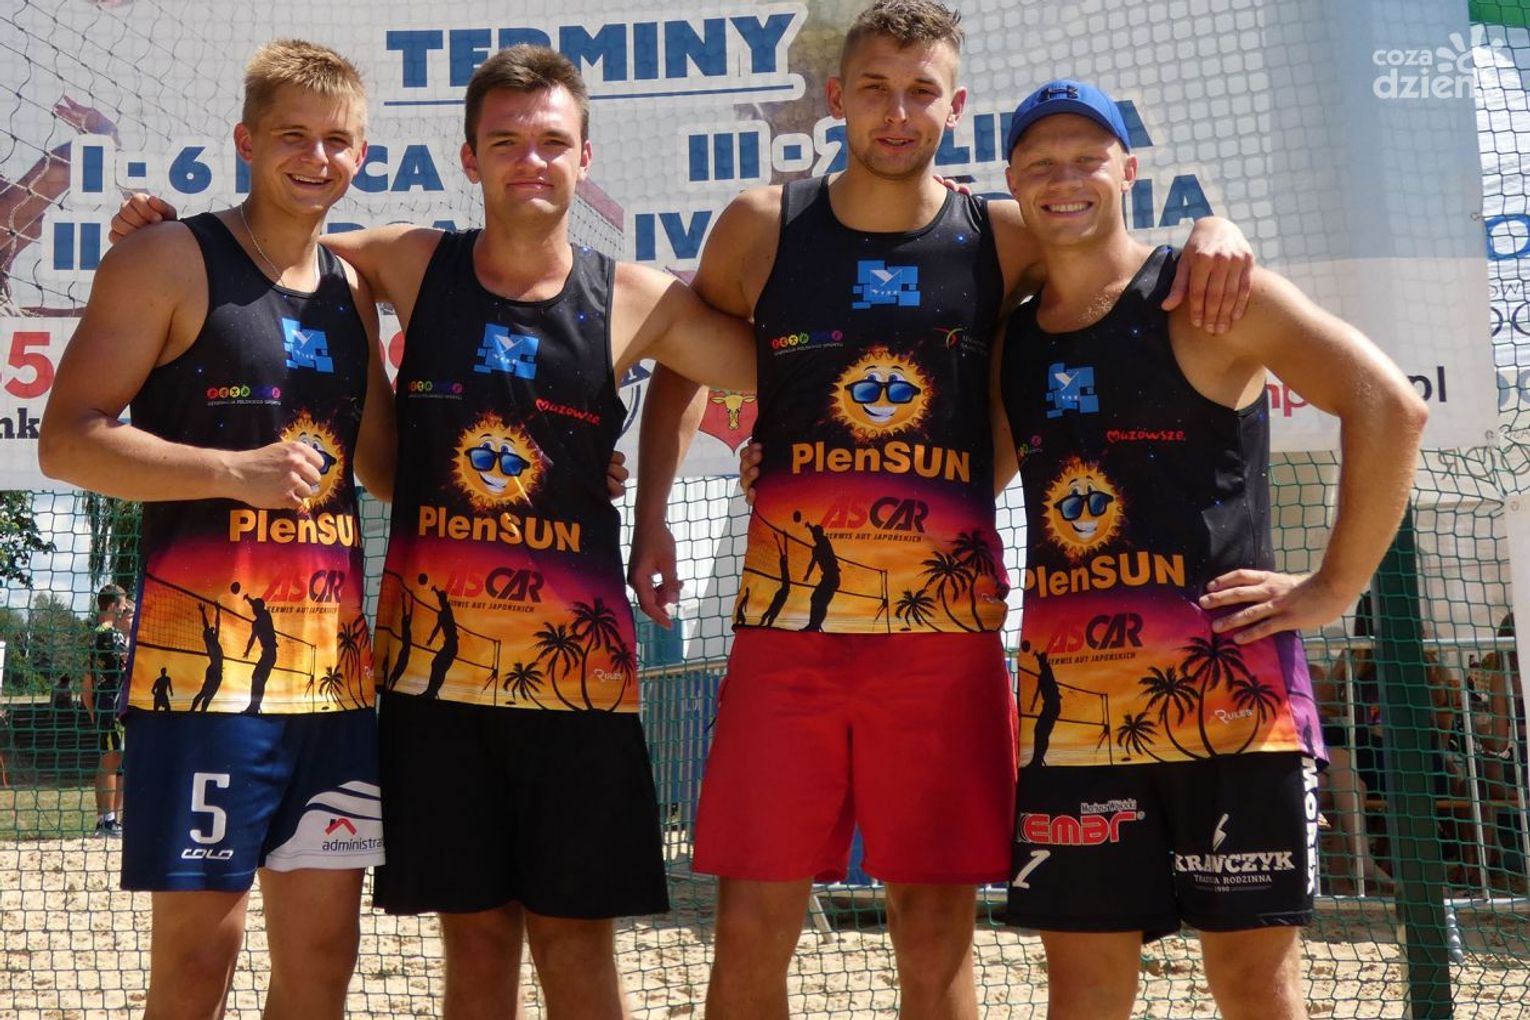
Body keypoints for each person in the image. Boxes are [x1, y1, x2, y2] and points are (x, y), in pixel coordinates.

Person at [110, 43, 752, 1018]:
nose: (530, 161)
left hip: (577, 681)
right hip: (432, 686)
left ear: (586, 156)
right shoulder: (406, 261)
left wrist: (653, 502)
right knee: (476, 943)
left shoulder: (638, 296)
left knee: (578, 948)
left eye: (552, 142)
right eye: (506, 142)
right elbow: (272, 242)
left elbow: (754, 360)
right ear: (468, 158)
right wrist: (160, 235)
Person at [648, 3, 1256, 1015]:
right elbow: (678, 354)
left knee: (934, 933)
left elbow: (1120, 257)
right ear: (836, 98)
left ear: (955, 105)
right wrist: (654, 517)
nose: (898, 113)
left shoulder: (1004, 236)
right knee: (750, 927)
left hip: (942, 641)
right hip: (788, 639)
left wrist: (1215, 224)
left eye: (920, 91)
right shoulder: (763, 224)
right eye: (875, 89)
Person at [991, 79, 1428, 1019]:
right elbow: (963, 471)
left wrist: (1335, 586)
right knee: (1082, 989)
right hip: (1074, 723)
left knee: (1253, 986)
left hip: (1234, 713)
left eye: (1087, 159)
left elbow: (1390, 405)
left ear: (1129, 170)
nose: (1064, 180)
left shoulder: (1208, 295)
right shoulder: (1010, 337)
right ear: (1012, 183)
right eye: (1041, 164)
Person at [39, 39, 394, 1020]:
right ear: (245, 141)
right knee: (200, 964)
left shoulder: (355, 289)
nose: (316, 157)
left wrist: (571, 470)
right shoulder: (166, 257)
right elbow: (67, 443)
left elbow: (387, 469)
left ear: (363, 154)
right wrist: (234, 472)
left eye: (337, 140)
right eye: (292, 136)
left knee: (323, 963)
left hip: (331, 685)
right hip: (203, 680)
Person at [82, 584, 129, 836]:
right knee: (112, 758)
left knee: (110, 760)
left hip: (104, 701)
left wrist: (91, 707)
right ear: (112, 606)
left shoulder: (95, 634)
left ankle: (106, 819)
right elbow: (126, 664)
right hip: (112, 701)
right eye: (123, 604)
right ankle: (108, 821)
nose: (125, 609)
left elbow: (88, 679)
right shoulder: (111, 634)